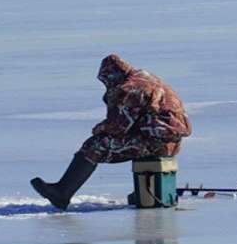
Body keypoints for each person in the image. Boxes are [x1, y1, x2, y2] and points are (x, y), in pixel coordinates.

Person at [31, 54, 192, 210]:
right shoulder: (146, 78)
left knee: (95, 145)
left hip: (156, 143)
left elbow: (119, 127)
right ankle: (142, 192)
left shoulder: (129, 89)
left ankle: (62, 192)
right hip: (169, 142)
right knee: (131, 140)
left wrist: (99, 128)